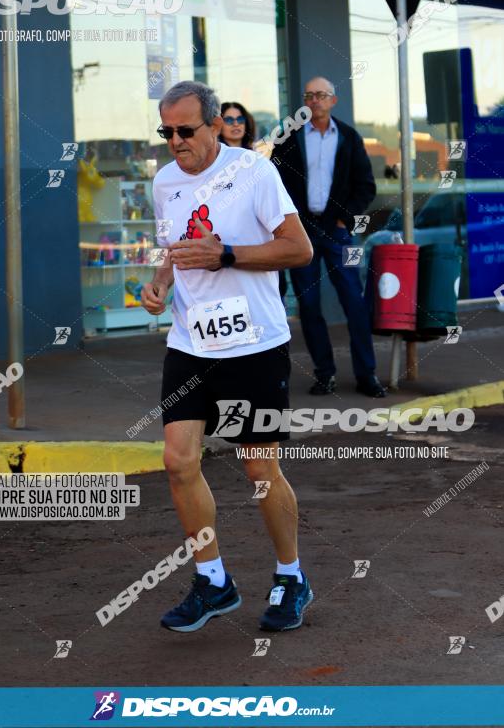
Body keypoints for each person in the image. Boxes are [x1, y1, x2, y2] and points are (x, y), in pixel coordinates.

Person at [140, 80, 315, 633]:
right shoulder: (164, 181)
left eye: (185, 131)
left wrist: (229, 256)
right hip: (191, 341)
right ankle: (213, 581)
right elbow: (176, 247)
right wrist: (160, 280)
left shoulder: (255, 172)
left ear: (215, 125)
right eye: (165, 131)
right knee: (178, 461)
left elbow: (298, 248)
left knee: (259, 466)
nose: (175, 142)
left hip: (253, 343)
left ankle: (291, 575)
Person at [274, 76, 386, 399]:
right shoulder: (288, 138)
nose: (315, 101)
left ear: (333, 101)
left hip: (338, 235)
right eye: (309, 95)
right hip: (302, 234)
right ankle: (325, 374)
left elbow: (367, 186)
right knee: (308, 306)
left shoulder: (349, 137)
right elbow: (275, 183)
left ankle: (367, 375)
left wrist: (343, 219)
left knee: (354, 301)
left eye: (321, 95)